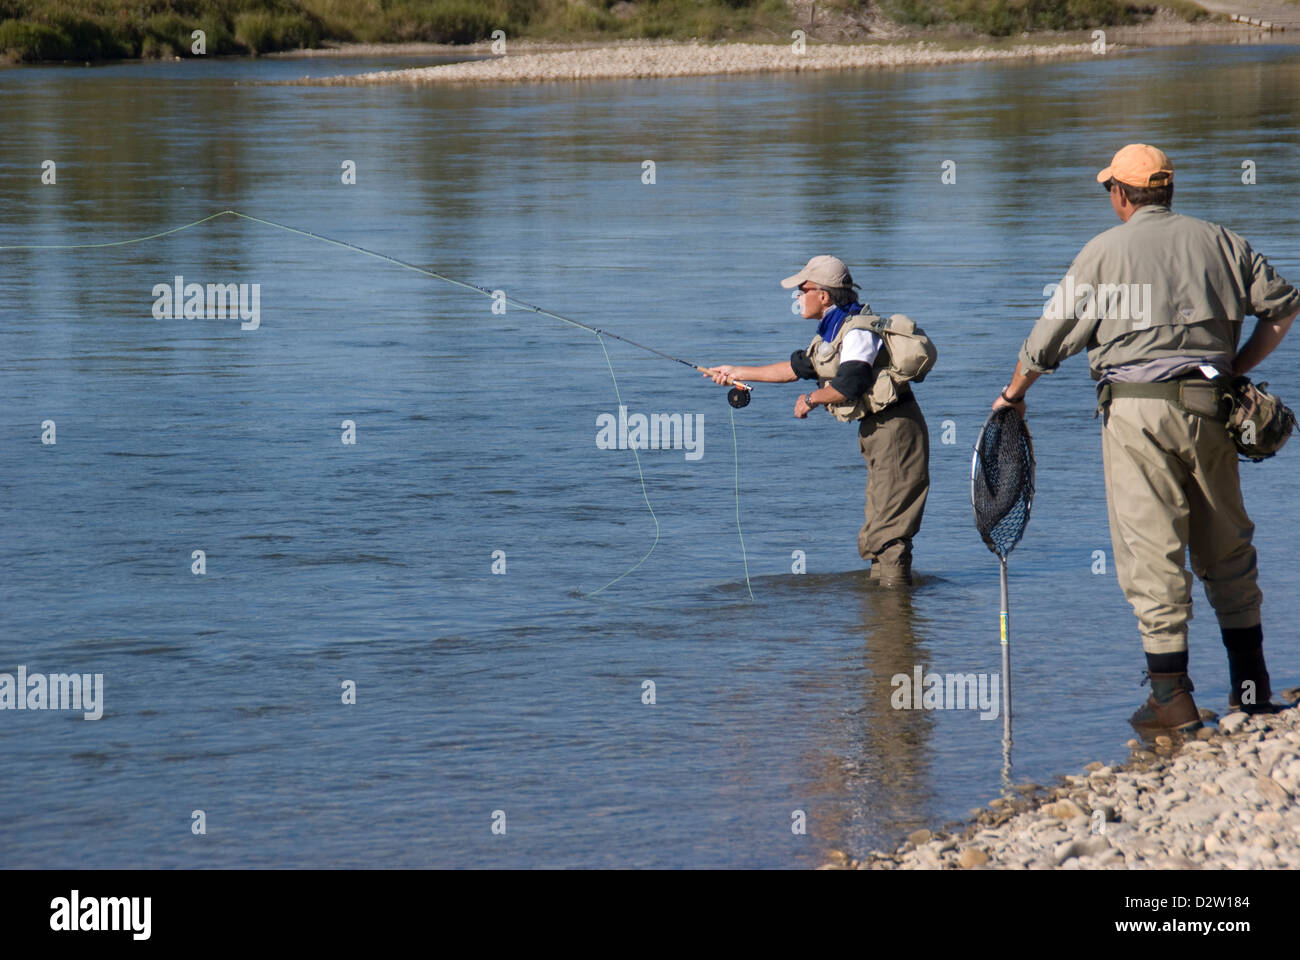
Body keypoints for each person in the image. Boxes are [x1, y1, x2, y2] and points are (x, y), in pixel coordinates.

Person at [992, 144, 1300, 733]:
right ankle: (1253, 690)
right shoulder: (1221, 241)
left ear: (1122, 195)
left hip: (1136, 415)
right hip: (1215, 408)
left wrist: (1013, 393)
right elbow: (1284, 308)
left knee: (1151, 549)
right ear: (1169, 191)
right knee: (1227, 543)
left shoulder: (1103, 252)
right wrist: (1235, 366)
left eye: (1111, 188)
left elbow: (1048, 339)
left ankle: (1170, 699)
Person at [706, 255, 930, 584]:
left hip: (897, 430)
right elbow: (794, 370)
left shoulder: (856, 332)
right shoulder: (833, 330)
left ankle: (894, 616)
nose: (797, 297)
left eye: (802, 289)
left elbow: (850, 384)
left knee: (890, 530)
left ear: (823, 295)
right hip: (878, 430)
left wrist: (811, 399)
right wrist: (735, 371)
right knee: (878, 524)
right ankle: (884, 613)